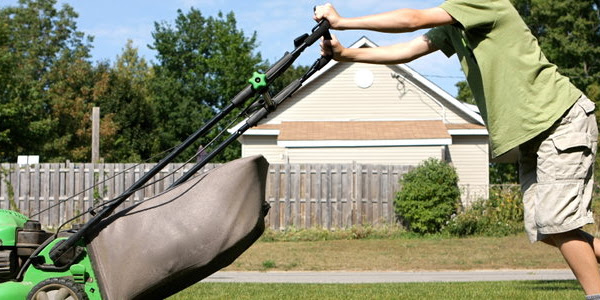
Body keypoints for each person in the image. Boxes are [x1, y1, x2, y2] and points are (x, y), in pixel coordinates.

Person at [314, 1, 600, 297]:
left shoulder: (485, 2)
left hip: (559, 120)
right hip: (531, 138)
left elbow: (413, 19)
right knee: (545, 229)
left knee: (558, 223)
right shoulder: (454, 27)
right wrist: (346, 54)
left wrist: (343, 21)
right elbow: (409, 49)